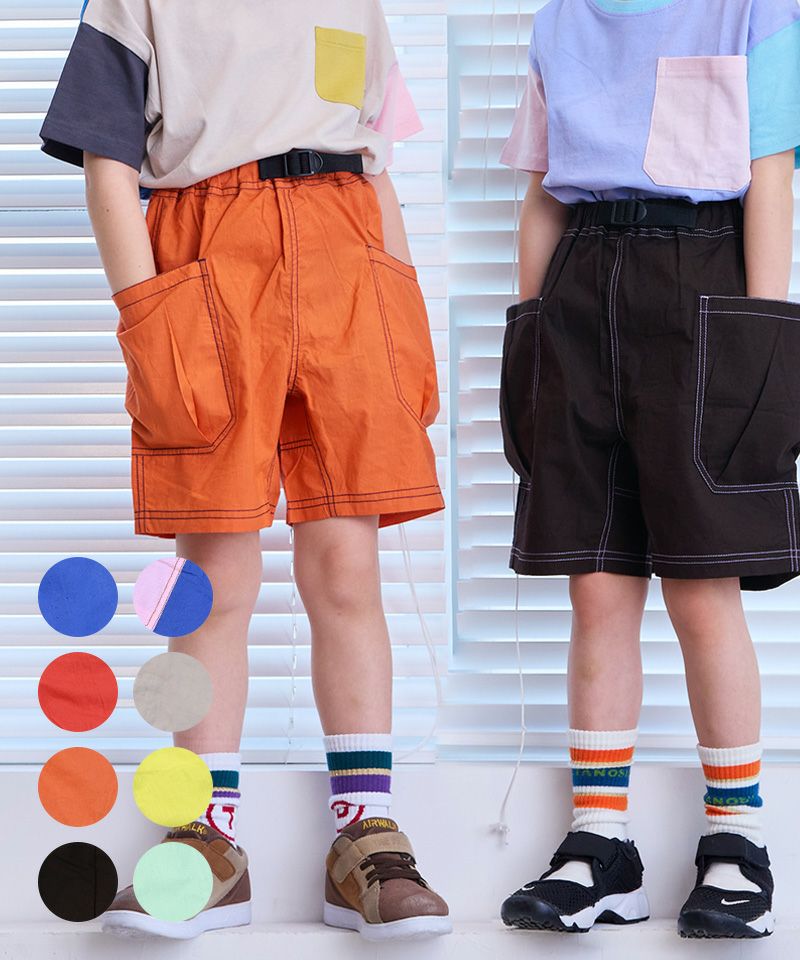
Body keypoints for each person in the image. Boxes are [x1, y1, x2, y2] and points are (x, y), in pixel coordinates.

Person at [38, 0, 451, 943]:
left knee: (347, 565)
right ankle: (204, 839)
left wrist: (401, 301)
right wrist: (145, 313)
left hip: (348, 260)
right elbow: (108, 166)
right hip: (207, 257)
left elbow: (372, 161)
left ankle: (366, 839)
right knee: (211, 575)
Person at [497, 0, 800, 940]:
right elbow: (545, 191)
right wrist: (530, 330)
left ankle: (738, 839)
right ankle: (602, 843)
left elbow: (770, 176)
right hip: (578, 290)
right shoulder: (559, 20)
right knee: (596, 584)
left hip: (703, 283)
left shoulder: (756, 9)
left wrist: (759, 336)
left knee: (703, 588)